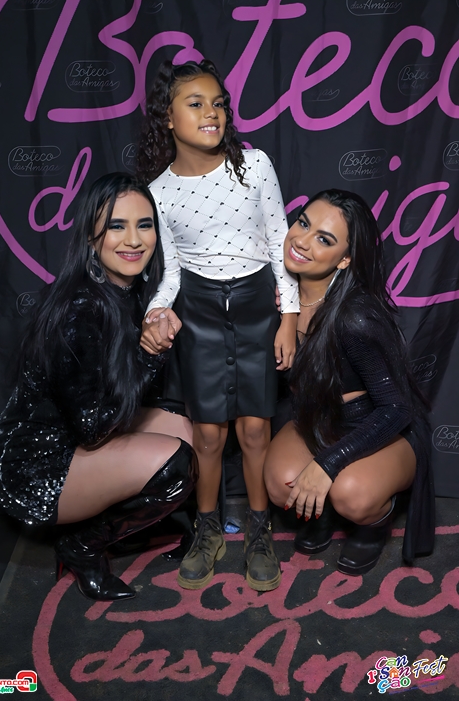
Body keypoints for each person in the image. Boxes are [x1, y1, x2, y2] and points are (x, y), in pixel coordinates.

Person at [0, 173, 198, 601]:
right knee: (176, 466)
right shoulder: (80, 309)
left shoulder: (127, 290)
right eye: (117, 226)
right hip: (37, 466)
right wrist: (150, 352)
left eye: (144, 225)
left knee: (181, 428)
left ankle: (118, 523)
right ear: (90, 236)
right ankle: (81, 546)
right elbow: (94, 428)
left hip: (77, 437)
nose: (134, 240)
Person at [136, 59, 299, 591]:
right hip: (199, 314)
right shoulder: (158, 191)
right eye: (196, 103)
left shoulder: (254, 165)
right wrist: (156, 312)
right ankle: (208, 531)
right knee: (208, 435)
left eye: (219, 103)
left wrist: (289, 317)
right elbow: (170, 272)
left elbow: (279, 244)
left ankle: (258, 531)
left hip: (256, 310)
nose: (212, 113)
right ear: (167, 117)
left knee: (254, 429)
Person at [264, 189, 434, 576]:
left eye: (324, 239)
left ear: (344, 259)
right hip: (316, 419)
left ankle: (373, 525)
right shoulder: (278, 295)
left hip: (376, 426)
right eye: (303, 223)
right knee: (279, 484)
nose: (302, 241)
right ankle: (318, 510)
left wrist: (328, 463)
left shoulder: (354, 317)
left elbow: (397, 409)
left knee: (352, 495)